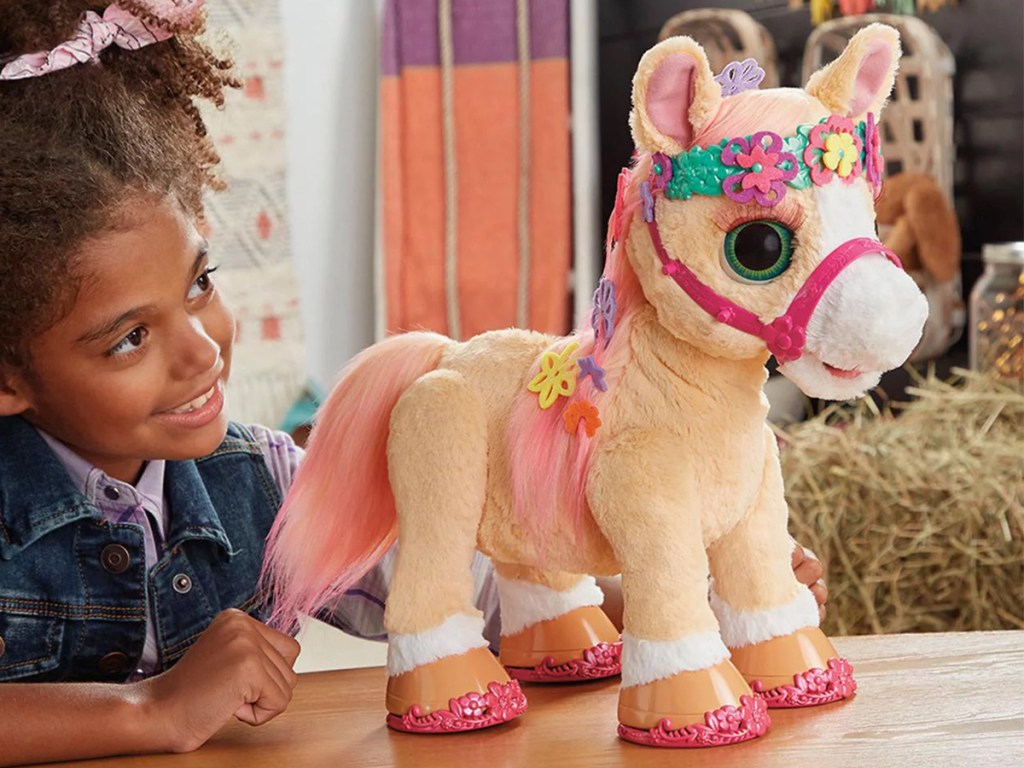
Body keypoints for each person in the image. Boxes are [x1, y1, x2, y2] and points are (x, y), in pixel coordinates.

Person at [0, 2, 827, 764]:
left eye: (199, 284)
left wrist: (694, 574)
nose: (201, 352)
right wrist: (148, 710)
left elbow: (471, 578)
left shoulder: (262, 485)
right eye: (130, 338)